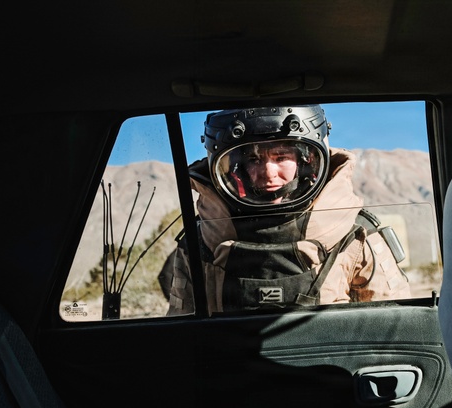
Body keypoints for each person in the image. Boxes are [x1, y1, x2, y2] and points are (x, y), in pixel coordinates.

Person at [161, 105, 411, 315]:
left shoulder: (354, 233)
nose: (268, 172)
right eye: (254, 159)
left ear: (305, 161)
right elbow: (182, 330)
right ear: (237, 168)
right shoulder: (202, 237)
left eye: (281, 157)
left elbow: (393, 324)